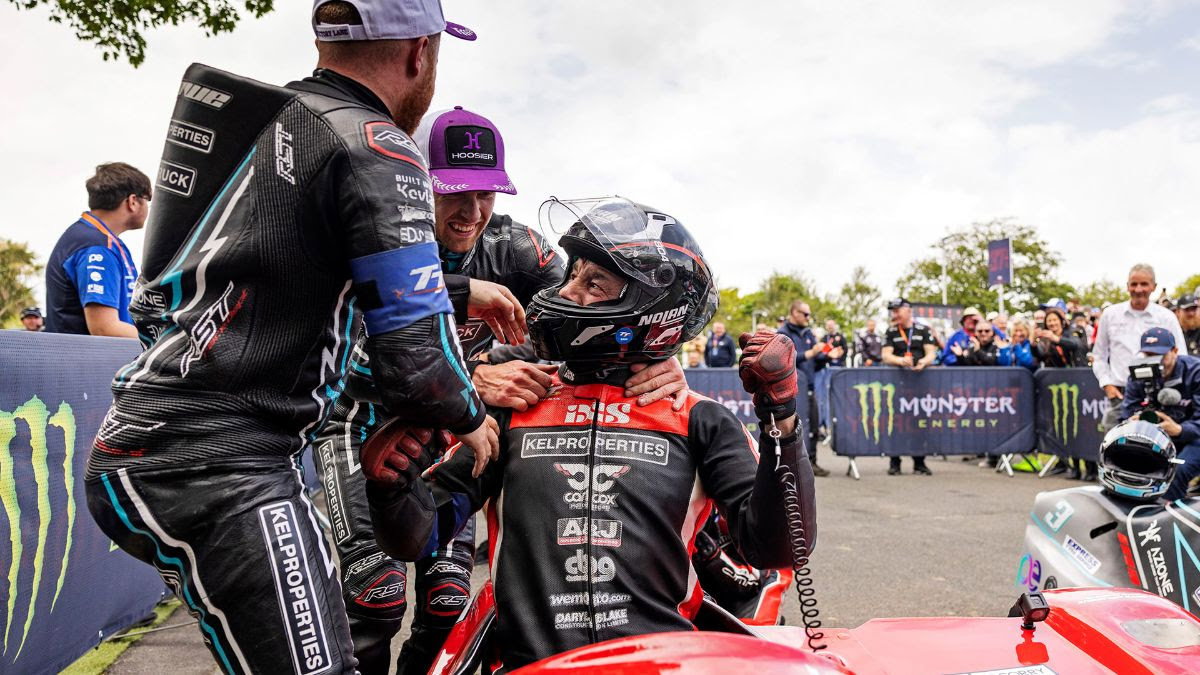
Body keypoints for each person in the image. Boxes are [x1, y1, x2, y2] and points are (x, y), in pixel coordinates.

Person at [84, 3, 505, 672]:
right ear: (419, 53)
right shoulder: (381, 144)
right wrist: (473, 415)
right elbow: (418, 365)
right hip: (216, 467)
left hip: (166, 444)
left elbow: (153, 304)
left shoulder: (260, 123)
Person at [312, 107, 688, 675]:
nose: (472, 211)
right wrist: (466, 366)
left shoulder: (520, 249)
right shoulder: (375, 238)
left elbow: (597, 312)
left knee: (446, 602)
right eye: (453, 193)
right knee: (377, 592)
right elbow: (343, 360)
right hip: (364, 421)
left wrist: (661, 356)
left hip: (453, 427)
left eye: (486, 192)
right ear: (418, 186)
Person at [364, 198, 816, 671]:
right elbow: (420, 536)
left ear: (651, 307)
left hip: (661, 665)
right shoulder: (517, 403)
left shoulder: (699, 419)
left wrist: (781, 421)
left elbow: (779, 548)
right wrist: (392, 489)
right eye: (573, 275)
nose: (569, 292)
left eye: (594, 282)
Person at [44, 162, 148, 337]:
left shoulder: (97, 238)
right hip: (84, 361)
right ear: (132, 202)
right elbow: (104, 328)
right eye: (147, 200)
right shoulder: (97, 246)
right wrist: (164, 343)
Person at [1092, 264, 1187, 444]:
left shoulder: (1166, 317)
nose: (1138, 289)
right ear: (1127, 285)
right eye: (1134, 284)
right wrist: (1107, 385)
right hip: (1120, 396)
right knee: (1113, 450)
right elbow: (1099, 356)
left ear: (1154, 286)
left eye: (1144, 284)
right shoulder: (1111, 315)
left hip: (1160, 398)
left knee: (1158, 455)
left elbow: (1180, 355)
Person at [1120, 328, 1200, 501]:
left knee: (1177, 469)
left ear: (1175, 351)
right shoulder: (1139, 373)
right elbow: (1127, 411)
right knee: (1130, 465)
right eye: (1148, 354)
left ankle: (1171, 517)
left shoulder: (1195, 371)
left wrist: (1180, 429)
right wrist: (1134, 420)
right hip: (1159, 438)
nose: (1154, 360)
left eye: (1159, 355)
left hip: (1194, 437)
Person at [880, 297, 937, 475]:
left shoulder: (923, 329)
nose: (894, 314)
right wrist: (901, 360)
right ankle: (894, 462)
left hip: (919, 383)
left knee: (919, 422)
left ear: (908, 311)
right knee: (896, 422)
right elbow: (886, 356)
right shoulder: (890, 331)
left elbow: (931, 353)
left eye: (897, 310)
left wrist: (923, 363)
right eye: (893, 311)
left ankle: (919, 462)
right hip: (897, 384)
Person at [779, 300, 831, 476]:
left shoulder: (808, 333)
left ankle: (812, 462)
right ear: (794, 313)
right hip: (792, 390)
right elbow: (786, 359)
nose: (808, 318)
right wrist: (811, 353)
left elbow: (815, 362)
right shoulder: (783, 333)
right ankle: (795, 465)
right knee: (796, 428)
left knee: (814, 426)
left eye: (809, 314)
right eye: (805, 314)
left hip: (809, 386)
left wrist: (827, 356)